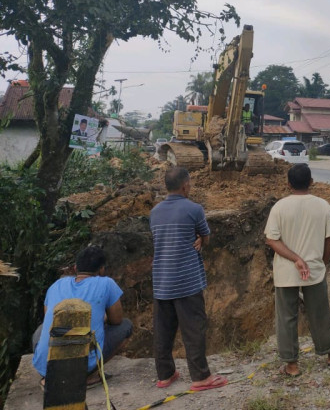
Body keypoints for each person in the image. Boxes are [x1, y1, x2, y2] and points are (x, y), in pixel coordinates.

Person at [264, 164, 330, 377]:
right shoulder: (322, 206)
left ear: (288, 184)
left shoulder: (279, 207)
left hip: (286, 271)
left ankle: (291, 366)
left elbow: (271, 240)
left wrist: (295, 259)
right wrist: (323, 260)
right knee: (319, 313)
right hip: (314, 270)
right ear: (311, 181)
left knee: (286, 317)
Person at [149, 167, 227, 391]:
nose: (190, 187)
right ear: (185, 186)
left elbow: (160, 240)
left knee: (163, 330)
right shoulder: (194, 209)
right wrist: (201, 240)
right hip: (186, 281)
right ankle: (201, 377)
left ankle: (165, 375)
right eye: (190, 184)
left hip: (161, 281)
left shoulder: (155, 212)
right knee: (193, 329)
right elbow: (206, 236)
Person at [32, 246, 133, 387]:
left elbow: (50, 318)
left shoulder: (56, 285)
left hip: (46, 368)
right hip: (82, 367)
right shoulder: (106, 283)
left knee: (43, 328)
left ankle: (50, 377)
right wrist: (100, 318)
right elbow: (116, 320)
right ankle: (89, 377)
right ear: (102, 269)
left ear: (75, 268)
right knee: (126, 326)